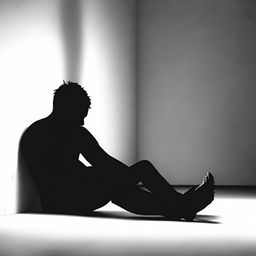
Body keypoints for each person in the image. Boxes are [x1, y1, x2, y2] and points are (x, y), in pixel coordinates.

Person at [18, 81, 215, 221]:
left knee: (124, 192)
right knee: (142, 169)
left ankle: (181, 207)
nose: (82, 122)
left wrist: (123, 179)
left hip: (64, 198)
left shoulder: (36, 131)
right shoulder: (72, 133)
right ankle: (182, 204)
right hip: (71, 198)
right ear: (66, 109)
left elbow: (99, 164)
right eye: (80, 116)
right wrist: (132, 175)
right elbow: (103, 163)